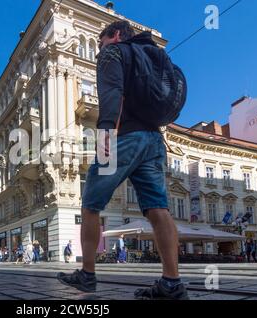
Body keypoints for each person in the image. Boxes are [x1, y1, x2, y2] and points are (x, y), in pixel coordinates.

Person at [57, 20, 189, 300]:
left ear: (115, 35)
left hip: (126, 138)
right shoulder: (152, 56)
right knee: (158, 207)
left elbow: (111, 95)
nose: (98, 48)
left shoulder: (114, 52)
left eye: (100, 40)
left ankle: (87, 275)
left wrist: (105, 139)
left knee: (90, 203)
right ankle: (172, 283)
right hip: (154, 140)